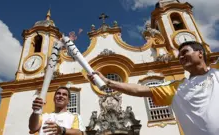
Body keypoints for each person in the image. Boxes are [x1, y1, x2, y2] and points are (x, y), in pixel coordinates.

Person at [88, 41, 219, 135]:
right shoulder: (177, 88)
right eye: (179, 55)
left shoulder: (216, 73)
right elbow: (139, 89)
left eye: (185, 52)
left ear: (200, 53)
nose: (181, 57)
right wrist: (107, 82)